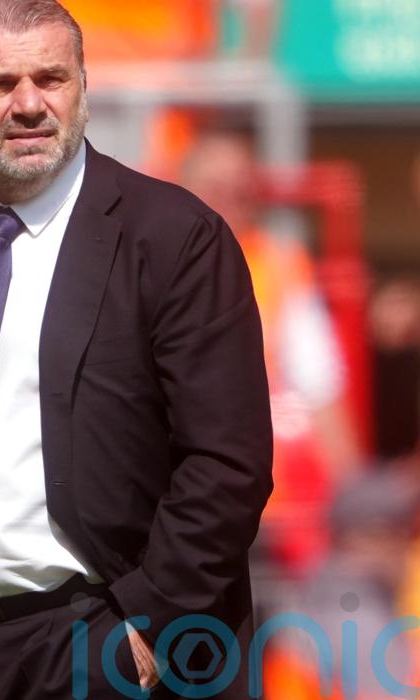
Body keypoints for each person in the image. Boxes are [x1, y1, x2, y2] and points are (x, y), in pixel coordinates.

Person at [0, 2, 273, 698]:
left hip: (87, 648)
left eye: (51, 78)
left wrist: (148, 628)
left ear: (83, 87)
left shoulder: (173, 237)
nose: (28, 104)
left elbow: (228, 461)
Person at [178, 128, 361, 575]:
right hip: (177, 493)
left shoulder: (280, 264)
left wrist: (354, 497)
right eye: (215, 185)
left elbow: (320, 386)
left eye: (241, 187)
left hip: (266, 502)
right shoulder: (151, 260)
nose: (229, 198)